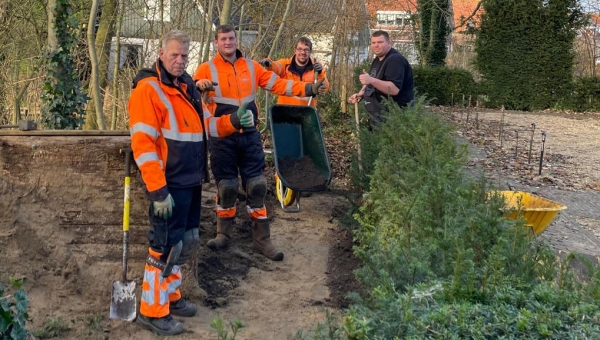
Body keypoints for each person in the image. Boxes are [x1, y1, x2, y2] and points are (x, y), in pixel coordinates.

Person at [128, 29, 251, 336]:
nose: (180, 60)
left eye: (184, 55)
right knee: (163, 247)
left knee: (185, 243)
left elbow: (206, 126)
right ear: (160, 53)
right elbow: (143, 145)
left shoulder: (187, 88)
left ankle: (170, 297)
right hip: (168, 186)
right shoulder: (148, 90)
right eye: (174, 55)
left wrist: (233, 121)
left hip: (191, 181)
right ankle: (151, 311)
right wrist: (158, 191)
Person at [193, 25, 326, 261]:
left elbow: (279, 84)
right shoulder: (206, 69)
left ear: (236, 40)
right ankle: (223, 233)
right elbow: (193, 91)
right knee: (227, 188)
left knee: (256, 185)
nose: (228, 42)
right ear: (216, 43)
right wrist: (199, 86)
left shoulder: (251, 67)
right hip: (222, 138)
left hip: (249, 135)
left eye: (231, 38)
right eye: (223, 39)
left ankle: (262, 238)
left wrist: (308, 88)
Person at [349, 30, 414, 129]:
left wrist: (371, 80)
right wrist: (361, 94)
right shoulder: (377, 59)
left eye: (380, 42)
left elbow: (393, 89)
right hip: (378, 117)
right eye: (373, 43)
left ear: (389, 43)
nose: (376, 45)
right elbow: (371, 80)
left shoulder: (395, 60)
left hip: (392, 119)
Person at [259, 36, 330, 108]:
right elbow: (276, 67)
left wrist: (320, 73)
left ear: (310, 52)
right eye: (300, 49)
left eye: (306, 50)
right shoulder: (285, 65)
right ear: (295, 50)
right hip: (285, 112)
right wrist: (269, 64)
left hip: (307, 113)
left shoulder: (316, 67)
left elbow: (325, 87)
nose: (303, 52)